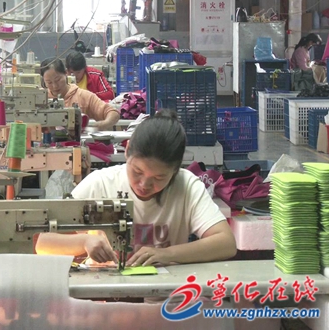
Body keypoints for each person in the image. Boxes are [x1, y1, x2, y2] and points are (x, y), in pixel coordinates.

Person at [35, 111, 237, 266]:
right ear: (127, 150)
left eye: (159, 178)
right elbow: (42, 243)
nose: (144, 185)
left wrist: (166, 254)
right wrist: (84, 242)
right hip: (105, 295)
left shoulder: (186, 186)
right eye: (137, 171)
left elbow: (226, 243)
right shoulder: (101, 183)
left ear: (176, 170)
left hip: (165, 296)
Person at [40, 58, 119, 130]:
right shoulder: (40, 99)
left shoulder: (83, 96)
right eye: (49, 82)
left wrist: (103, 124)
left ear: (66, 73)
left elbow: (113, 113)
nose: (55, 86)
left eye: (58, 80)